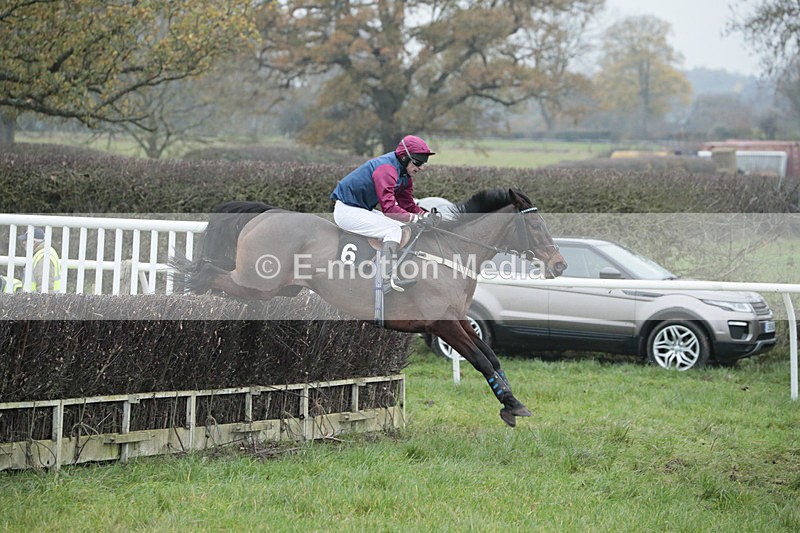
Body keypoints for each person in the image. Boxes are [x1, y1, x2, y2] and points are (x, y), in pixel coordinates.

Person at [330, 135, 438, 292]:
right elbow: (389, 210)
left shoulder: (405, 174)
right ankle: (385, 280)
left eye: (423, 163)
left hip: (360, 208)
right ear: (404, 158)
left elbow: (407, 204)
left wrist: (425, 215)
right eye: (418, 163)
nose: (421, 167)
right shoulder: (386, 170)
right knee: (393, 230)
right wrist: (416, 218)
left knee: (401, 227)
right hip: (346, 210)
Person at [18, 228, 61, 292]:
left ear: (34, 242)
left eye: (26, 240)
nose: (23, 243)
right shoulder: (43, 253)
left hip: (36, 298)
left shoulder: (43, 257)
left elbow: (45, 288)